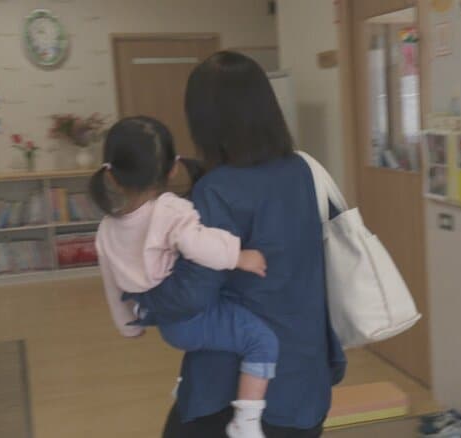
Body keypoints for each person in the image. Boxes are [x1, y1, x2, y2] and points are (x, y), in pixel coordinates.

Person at [129, 51, 347, 438]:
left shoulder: (218, 190)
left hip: (237, 385)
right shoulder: (306, 170)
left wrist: (141, 301)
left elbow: (193, 294)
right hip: (306, 377)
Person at [90, 116, 278, 438]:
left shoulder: (106, 228)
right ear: (174, 168)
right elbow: (197, 244)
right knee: (262, 341)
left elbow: (112, 285)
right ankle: (246, 421)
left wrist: (127, 325)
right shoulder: (170, 209)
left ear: (111, 176)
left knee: (219, 332)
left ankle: (187, 388)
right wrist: (239, 256)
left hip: (164, 322)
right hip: (193, 319)